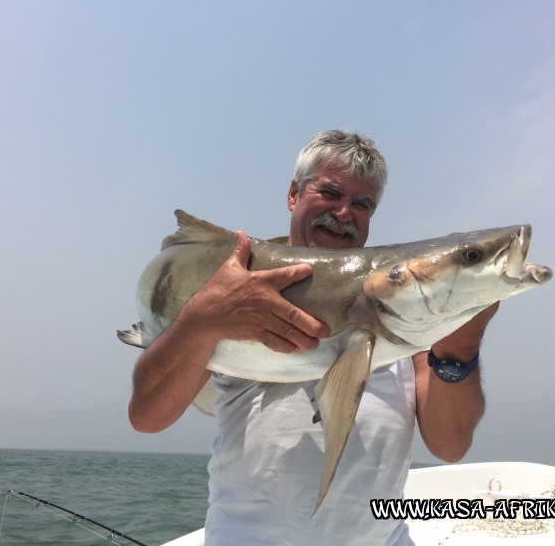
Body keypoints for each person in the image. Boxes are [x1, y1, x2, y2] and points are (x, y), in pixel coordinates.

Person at [128, 130, 498, 545]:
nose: (344, 213)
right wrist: (201, 321)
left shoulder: (408, 311)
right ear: (294, 193)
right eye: (331, 192)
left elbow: (449, 446)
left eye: (362, 203)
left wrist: (460, 347)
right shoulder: (235, 283)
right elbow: (147, 417)